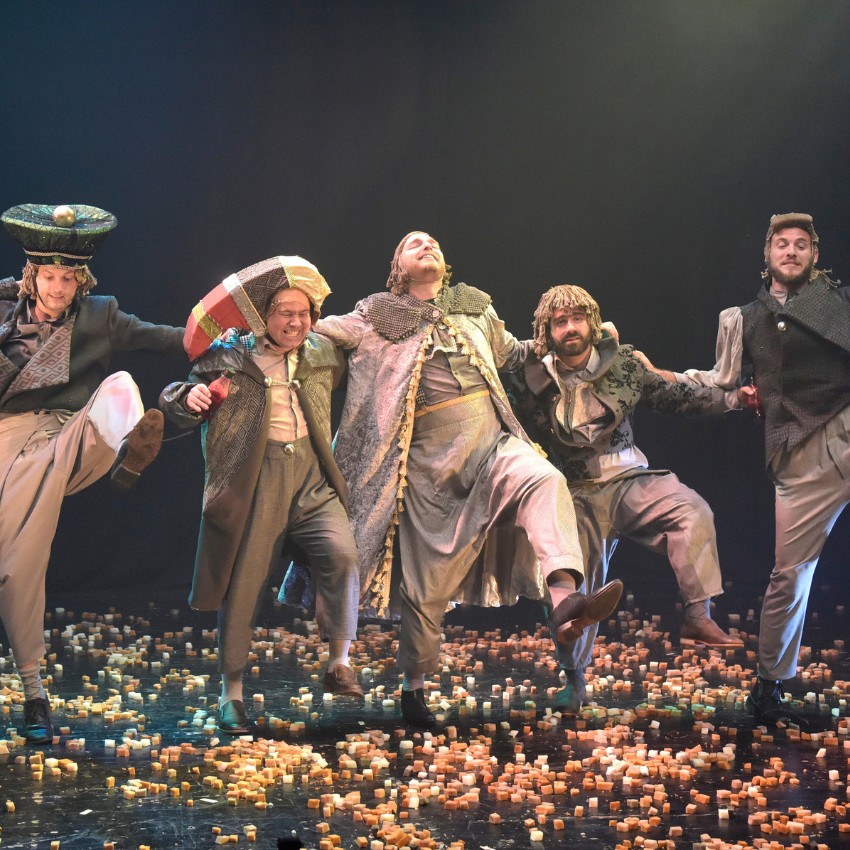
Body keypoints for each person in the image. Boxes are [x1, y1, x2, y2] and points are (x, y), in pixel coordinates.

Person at [314, 231, 622, 727]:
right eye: (414, 243)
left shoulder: (474, 306)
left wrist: (581, 339)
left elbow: (514, 353)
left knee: (544, 480)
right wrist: (262, 330)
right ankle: (414, 689)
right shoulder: (374, 315)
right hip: (428, 460)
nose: (427, 245)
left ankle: (566, 601)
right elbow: (314, 333)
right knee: (427, 583)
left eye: (433, 242)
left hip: (490, 439)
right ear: (397, 266)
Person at [640, 212, 850, 724]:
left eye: (801, 244)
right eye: (782, 244)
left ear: (815, 256)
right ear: (767, 255)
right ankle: (770, 686)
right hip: (799, 451)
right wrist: (659, 375)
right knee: (790, 574)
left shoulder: (841, 302)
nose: (791, 251)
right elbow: (720, 380)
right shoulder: (744, 318)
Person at [502, 285, 742, 713]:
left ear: (592, 323)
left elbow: (677, 397)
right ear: (546, 331)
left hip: (629, 479)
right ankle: (574, 678)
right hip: (574, 491)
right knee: (570, 585)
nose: (571, 328)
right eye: (560, 322)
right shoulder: (530, 379)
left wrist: (733, 399)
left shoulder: (622, 365)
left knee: (691, 510)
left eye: (578, 319)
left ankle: (697, 616)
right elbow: (502, 416)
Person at [0, 203, 184, 744]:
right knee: (18, 565)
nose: (58, 289)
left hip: (71, 438)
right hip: (9, 444)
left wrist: (219, 337)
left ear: (81, 280)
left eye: (68, 279)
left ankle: (132, 449)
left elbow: (162, 337)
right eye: (49, 277)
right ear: (32, 276)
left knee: (121, 384)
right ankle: (34, 691)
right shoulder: (2, 308)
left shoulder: (99, 315)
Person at [160, 256, 363, 735]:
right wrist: (187, 399)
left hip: (311, 478)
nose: (296, 322)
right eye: (285, 313)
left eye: (304, 313)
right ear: (262, 316)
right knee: (245, 585)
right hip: (257, 479)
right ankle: (230, 692)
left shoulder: (321, 353)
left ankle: (339, 661)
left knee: (342, 554)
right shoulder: (230, 355)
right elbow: (178, 393)